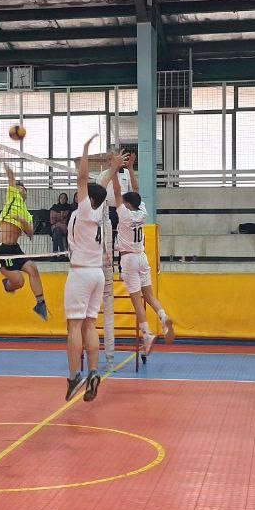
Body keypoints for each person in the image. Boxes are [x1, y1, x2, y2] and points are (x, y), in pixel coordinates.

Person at [111, 152, 175, 363]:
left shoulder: (125, 214)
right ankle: (163, 316)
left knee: (137, 301)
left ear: (128, 205)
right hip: (142, 257)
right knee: (149, 296)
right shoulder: (142, 211)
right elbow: (136, 191)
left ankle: (147, 334)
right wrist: (130, 168)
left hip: (129, 259)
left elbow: (118, 192)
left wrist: (115, 169)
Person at [63, 136, 112, 403]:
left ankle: (74, 376)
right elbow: (100, 186)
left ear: (88, 198)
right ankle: (93, 370)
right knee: (90, 324)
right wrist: (114, 167)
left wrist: (84, 151)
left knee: (74, 326)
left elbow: (83, 179)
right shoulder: (98, 209)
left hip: (81, 273)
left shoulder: (83, 210)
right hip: (97, 274)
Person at [0, 158, 49, 320]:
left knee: (32, 268)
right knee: (19, 282)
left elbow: (30, 233)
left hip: (15, 248)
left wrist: (23, 221)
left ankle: (40, 303)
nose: (22, 189)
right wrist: (1, 157)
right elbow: (11, 175)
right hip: (1, 248)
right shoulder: (12, 197)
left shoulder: (27, 213)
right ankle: (8, 284)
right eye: (19, 186)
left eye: (24, 187)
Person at [49, 192, 73, 258]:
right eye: (61, 197)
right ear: (59, 199)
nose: (62, 199)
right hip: (55, 226)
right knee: (57, 231)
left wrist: (58, 217)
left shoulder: (69, 207)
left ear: (66, 200)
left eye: (64, 198)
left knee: (56, 231)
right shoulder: (54, 207)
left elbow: (68, 220)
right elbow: (52, 220)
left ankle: (55, 253)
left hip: (64, 228)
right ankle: (62, 253)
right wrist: (61, 216)